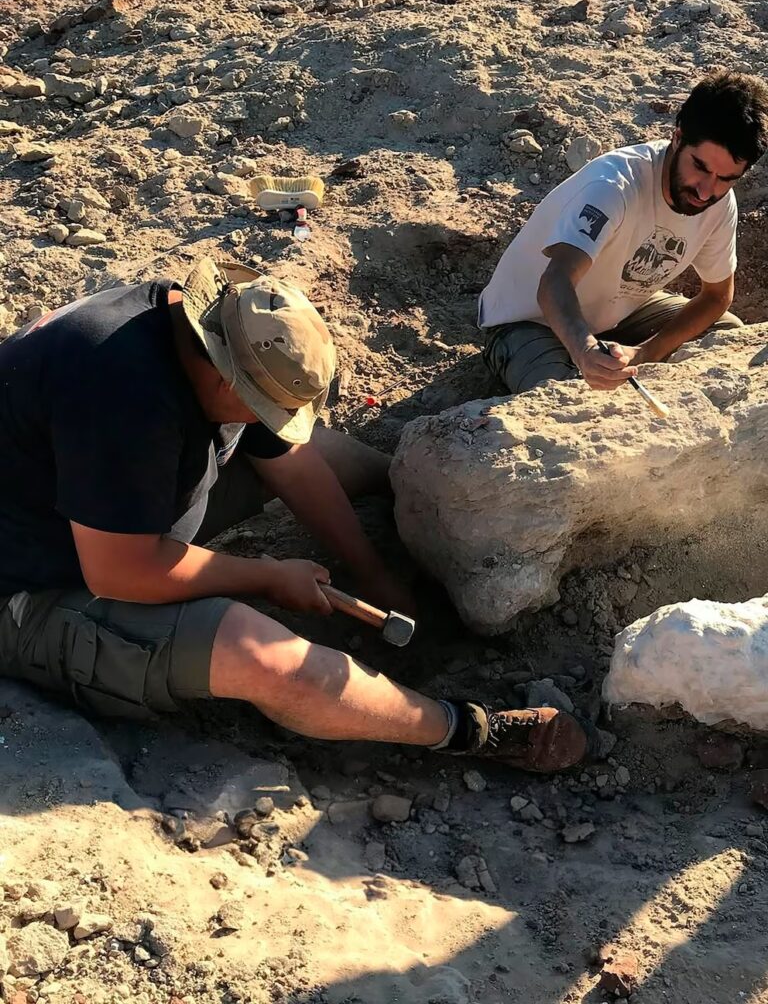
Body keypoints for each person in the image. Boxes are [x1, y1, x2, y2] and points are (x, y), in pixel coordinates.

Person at [0, 258, 586, 772]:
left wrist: (376, 575)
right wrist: (268, 575)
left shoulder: (204, 329)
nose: (261, 420)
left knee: (304, 452)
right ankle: (465, 728)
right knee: (260, 654)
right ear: (225, 372)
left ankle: (413, 487)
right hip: (36, 588)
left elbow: (296, 464)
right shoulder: (121, 397)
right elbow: (121, 572)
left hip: (87, 505)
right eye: (258, 407)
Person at [481, 70, 768, 394]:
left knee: (726, 336)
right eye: (699, 167)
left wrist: (645, 352)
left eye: (726, 178)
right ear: (677, 137)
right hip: (528, 321)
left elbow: (717, 296)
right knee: (570, 397)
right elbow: (555, 279)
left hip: (618, 318)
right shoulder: (614, 186)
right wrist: (586, 352)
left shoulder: (718, 204)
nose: (705, 191)